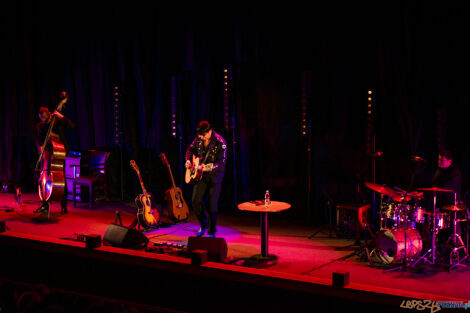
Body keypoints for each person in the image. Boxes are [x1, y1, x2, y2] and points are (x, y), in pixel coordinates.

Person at [185, 121, 227, 237]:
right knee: (195, 201)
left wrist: (206, 167)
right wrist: (188, 160)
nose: (201, 138)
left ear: (209, 132)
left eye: (203, 135)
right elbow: (190, 150)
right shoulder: (199, 138)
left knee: (212, 204)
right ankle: (204, 224)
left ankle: (212, 231)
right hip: (200, 175)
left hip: (215, 176)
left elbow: (221, 164)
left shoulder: (220, 142)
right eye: (199, 135)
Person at [35, 103, 75, 214]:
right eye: (40, 117)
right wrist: (40, 149)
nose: (42, 119)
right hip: (47, 155)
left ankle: (64, 205)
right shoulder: (40, 126)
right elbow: (38, 140)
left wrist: (60, 116)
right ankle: (45, 204)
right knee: (44, 178)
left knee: (61, 177)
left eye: (44, 116)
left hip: (58, 152)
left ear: (48, 115)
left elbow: (72, 126)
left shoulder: (56, 122)